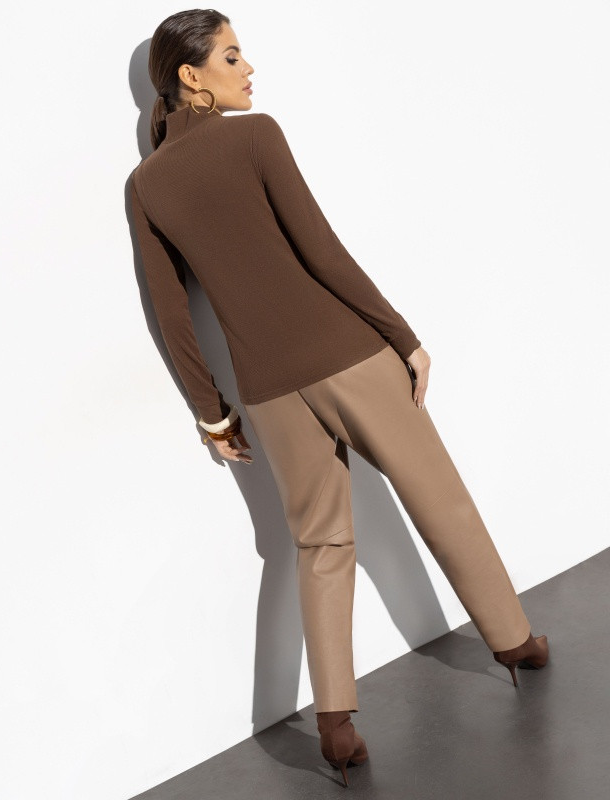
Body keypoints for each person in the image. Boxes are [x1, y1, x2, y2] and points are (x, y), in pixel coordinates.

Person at [130, 9, 549, 787]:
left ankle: (336, 723)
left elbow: (170, 312)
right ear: (192, 76)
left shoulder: (146, 186)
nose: (249, 68)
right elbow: (320, 249)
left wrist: (212, 410)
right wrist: (402, 335)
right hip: (347, 354)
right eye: (232, 55)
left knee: (319, 546)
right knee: (440, 501)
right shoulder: (257, 137)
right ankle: (514, 641)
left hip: (267, 391)